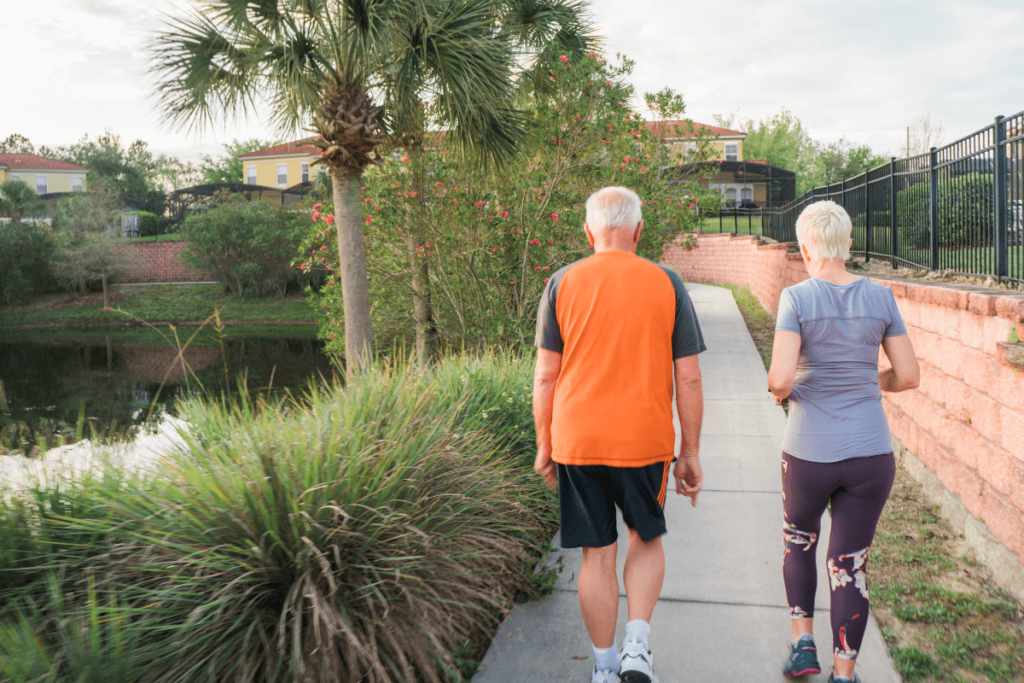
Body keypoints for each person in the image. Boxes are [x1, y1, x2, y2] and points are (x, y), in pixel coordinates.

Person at [533, 186, 706, 683]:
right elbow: (688, 377)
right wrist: (689, 452)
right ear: (638, 230)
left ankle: (605, 668)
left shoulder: (561, 283)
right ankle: (637, 646)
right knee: (644, 540)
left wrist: (546, 445)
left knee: (597, 554)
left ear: (589, 231)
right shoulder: (667, 283)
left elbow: (546, 376)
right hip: (644, 441)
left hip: (579, 441)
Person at [768, 201, 920, 683]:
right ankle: (845, 674)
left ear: (806, 246)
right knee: (849, 564)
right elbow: (909, 376)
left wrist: (793, 390)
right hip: (871, 455)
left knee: (799, 540)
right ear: (848, 243)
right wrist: (864, 380)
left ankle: (803, 647)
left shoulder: (796, 298)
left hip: (810, 452)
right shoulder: (881, 297)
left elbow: (779, 381)